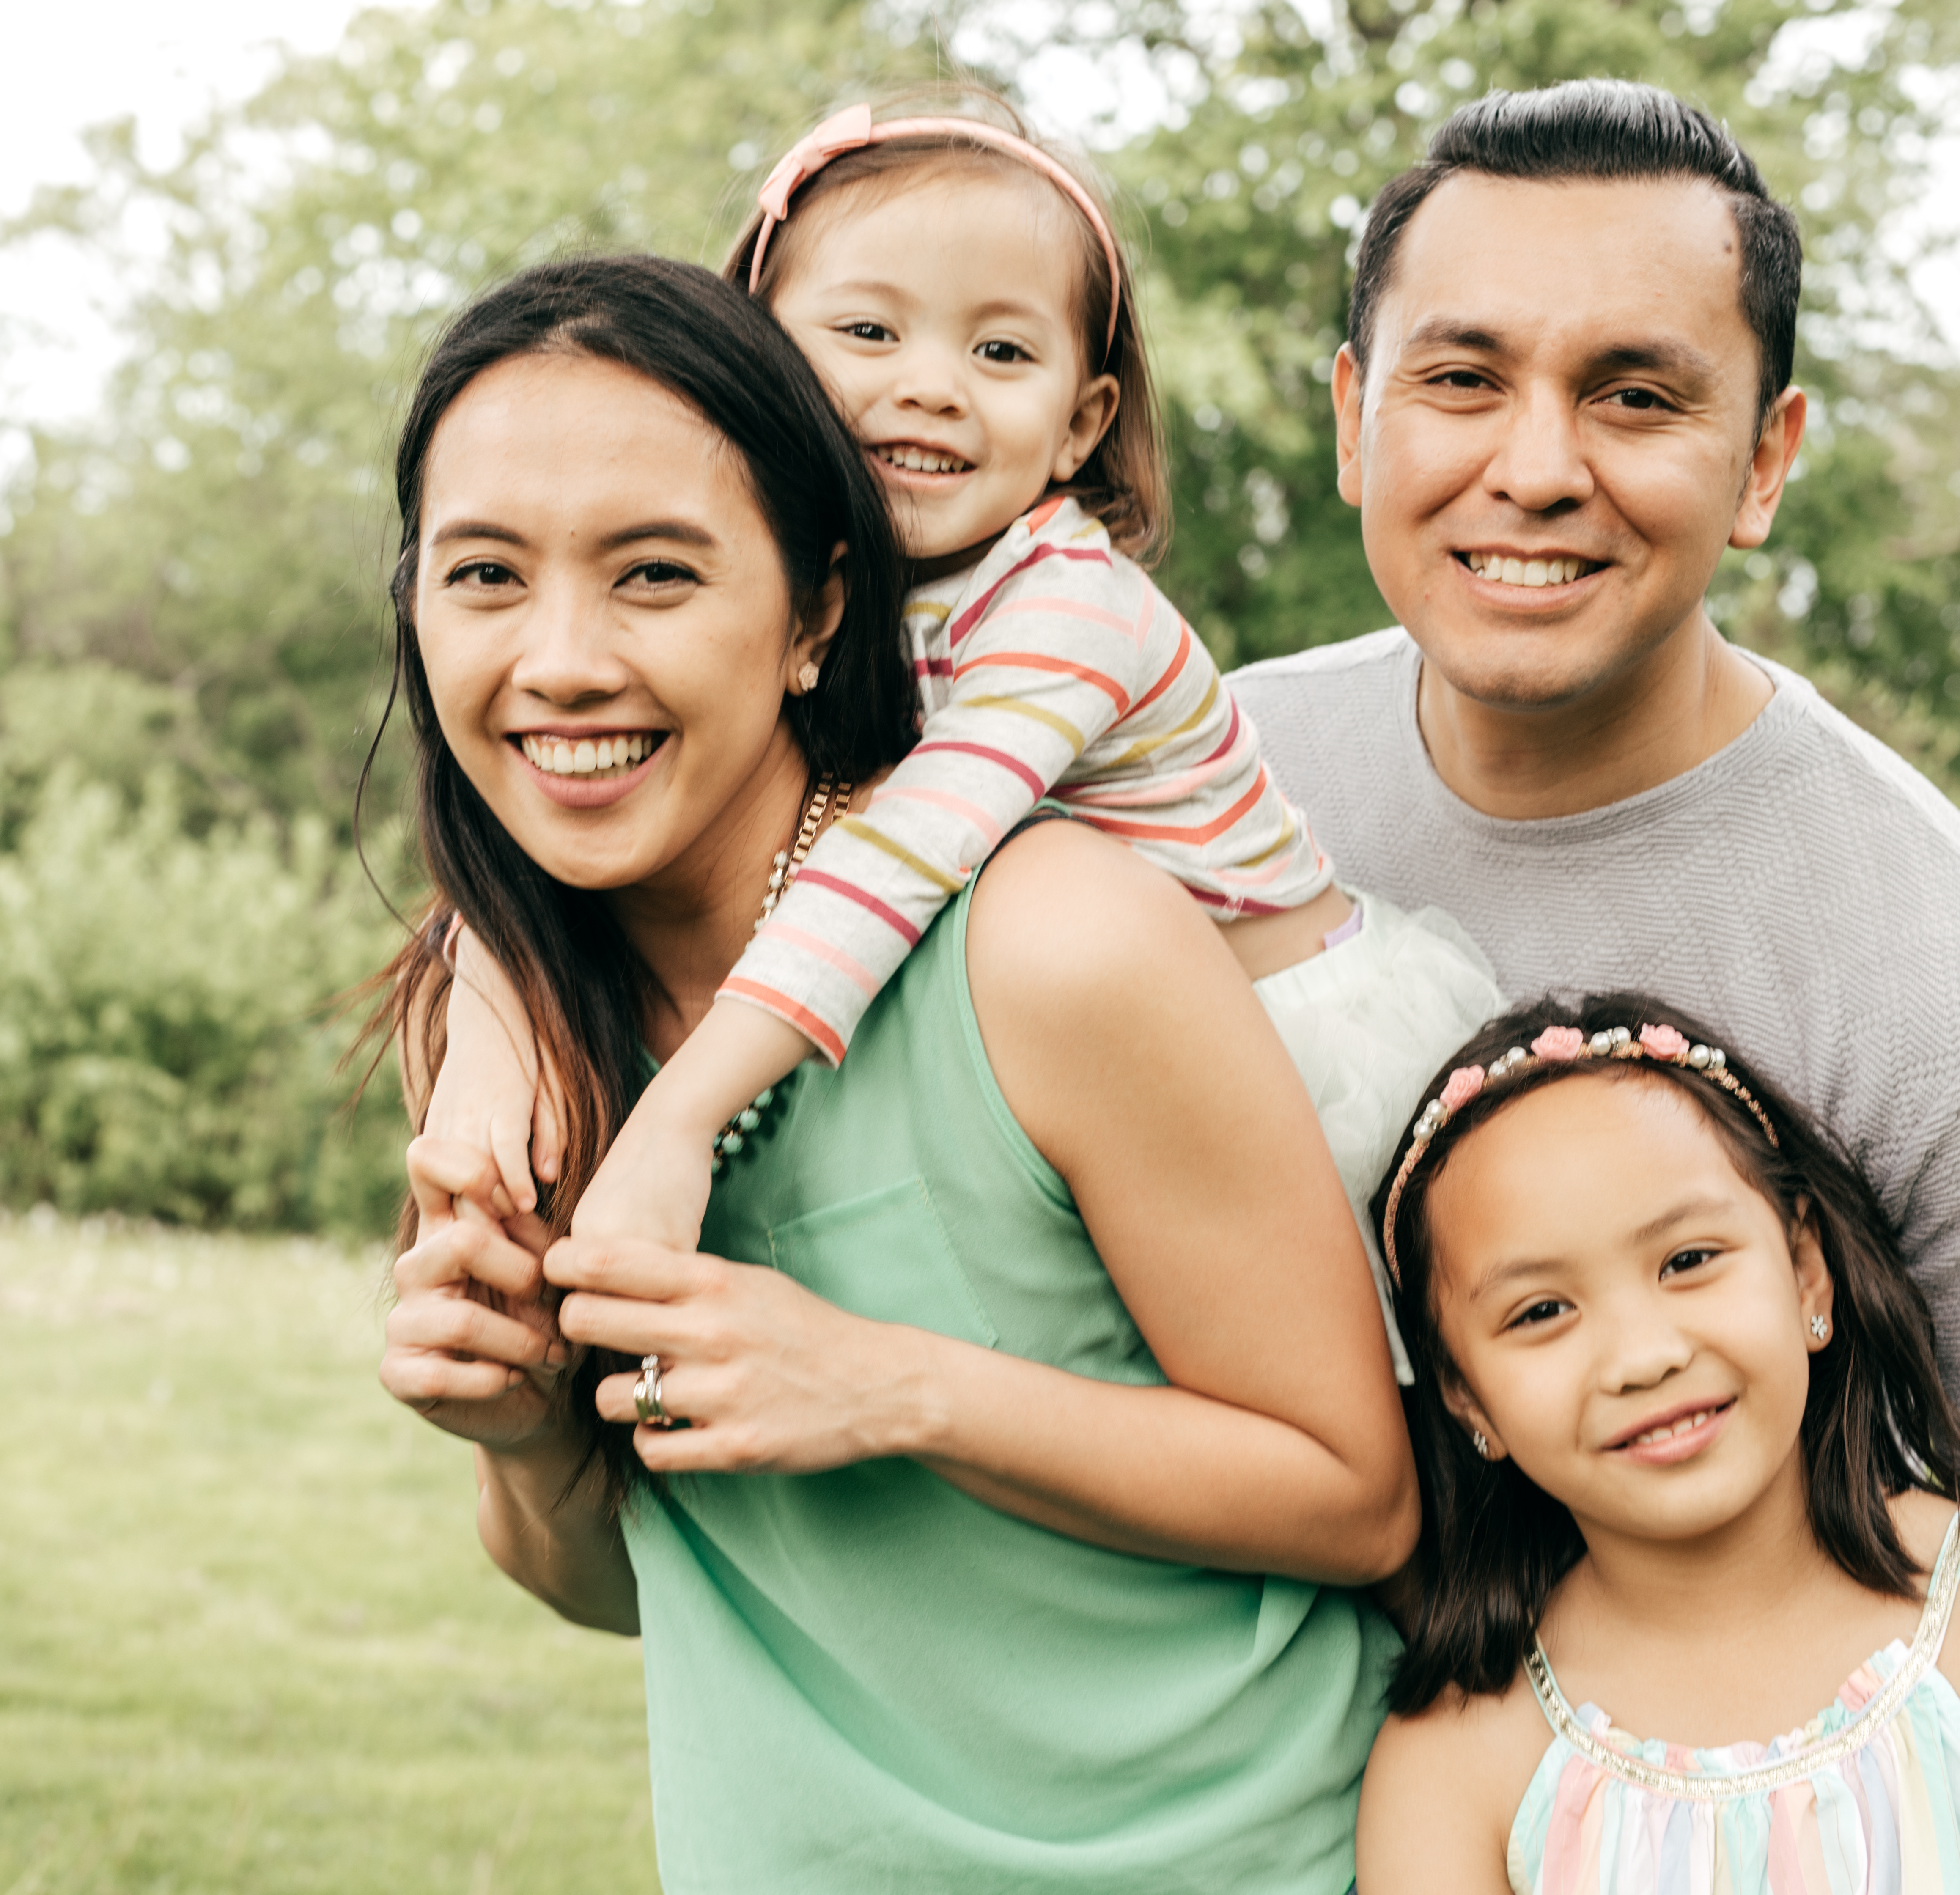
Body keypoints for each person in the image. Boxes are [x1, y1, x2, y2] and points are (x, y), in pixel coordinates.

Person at [1229, 79, 1960, 1883]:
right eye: (1462, 380)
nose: (1536, 464)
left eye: (1637, 394)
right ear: (1351, 415)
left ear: (1767, 459)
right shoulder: (1199, 805)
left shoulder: (1950, 988)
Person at [371, 252, 1419, 1892]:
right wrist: (517, 1432)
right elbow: (624, 1579)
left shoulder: (1052, 944)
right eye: (486, 577)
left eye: (654, 576)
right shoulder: (503, 1030)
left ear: (817, 614)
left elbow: (1358, 1498)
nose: (559, 658)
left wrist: (892, 1387)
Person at [430, 96, 1499, 1350]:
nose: (930, 389)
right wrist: (486, 1035)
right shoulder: (824, 590)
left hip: (1294, 1046)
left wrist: (677, 1121)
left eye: (1001, 355)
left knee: (1438, 1425)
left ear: (1083, 421)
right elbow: (565, 826)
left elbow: (899, 857)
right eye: (869, 331)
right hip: (1072, 1041)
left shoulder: (1070, 609)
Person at [1353, 995, 1960, 1894]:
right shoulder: (1454, 1767)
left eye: (1688, 1259)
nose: (1645, 1356)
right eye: (1541, 1311)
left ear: (1807, 1269)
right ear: (1465, 1396)